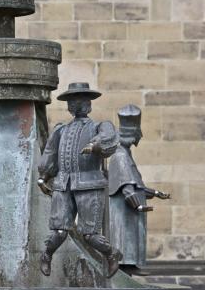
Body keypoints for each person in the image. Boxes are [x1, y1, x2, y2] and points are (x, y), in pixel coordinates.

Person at [38, 82, 122, 278]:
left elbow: (109, 139)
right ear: (68, 106)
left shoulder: (99, 126)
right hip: (63, 184)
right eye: (72, 101)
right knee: (59, 231)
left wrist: (95, 146)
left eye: (81, 101)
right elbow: (50, 154)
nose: (77, 105)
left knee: (90, 234)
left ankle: (111, 255)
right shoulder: (60, 130)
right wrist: (43, 178)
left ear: (89, 104)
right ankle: (46, 255)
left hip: (89, 184)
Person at [108, 104, 170, 274]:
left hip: (129, 210)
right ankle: (125, 264)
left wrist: (157, 193)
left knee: (131, 237)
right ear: (132, 135)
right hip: (124, 211)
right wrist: (139, 206)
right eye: (138, 134)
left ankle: (130, 264)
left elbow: (137, 186)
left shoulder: (125, 154)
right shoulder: (120, 156)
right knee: (125, 237)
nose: (140, 137)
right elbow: (127, 189)